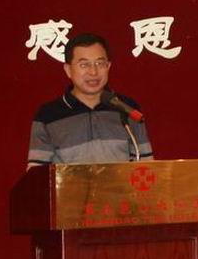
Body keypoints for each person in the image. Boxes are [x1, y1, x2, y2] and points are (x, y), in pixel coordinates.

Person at [27, 33, 153, 169]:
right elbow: (37, 174)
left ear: (108, 66)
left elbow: (146, 166)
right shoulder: (48, 116)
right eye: (84, 65)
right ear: (68, 70)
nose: (93, 72)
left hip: (121, 184)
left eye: (100, 63)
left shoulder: (126, 107)